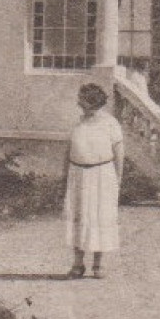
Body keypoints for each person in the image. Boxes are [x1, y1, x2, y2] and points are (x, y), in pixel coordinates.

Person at [63, 83, 124, 279]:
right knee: (79, 218)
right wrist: (65, 176)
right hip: (78, 175)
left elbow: (119, 153)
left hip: (102, 175)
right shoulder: (77, 123)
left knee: (100, 217)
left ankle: (99, 265)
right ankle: (78, 263)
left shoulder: (110, 123)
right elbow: (68, 151)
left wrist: (118, 178)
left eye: (81, 98)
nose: (77, 102)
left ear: (91, 101)